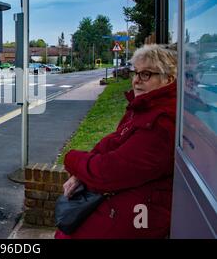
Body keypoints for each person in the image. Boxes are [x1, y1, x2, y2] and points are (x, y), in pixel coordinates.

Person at [56, 44, 177, 239]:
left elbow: (108, 172)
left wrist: (71, 159)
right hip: (130, 201)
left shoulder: (161, 123)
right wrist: (80, 172)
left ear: (168, 79)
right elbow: (112, 141)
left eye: (145, 74)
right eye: (135, 73)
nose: (136, 80)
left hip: (143, 213)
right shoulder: (143, 108)